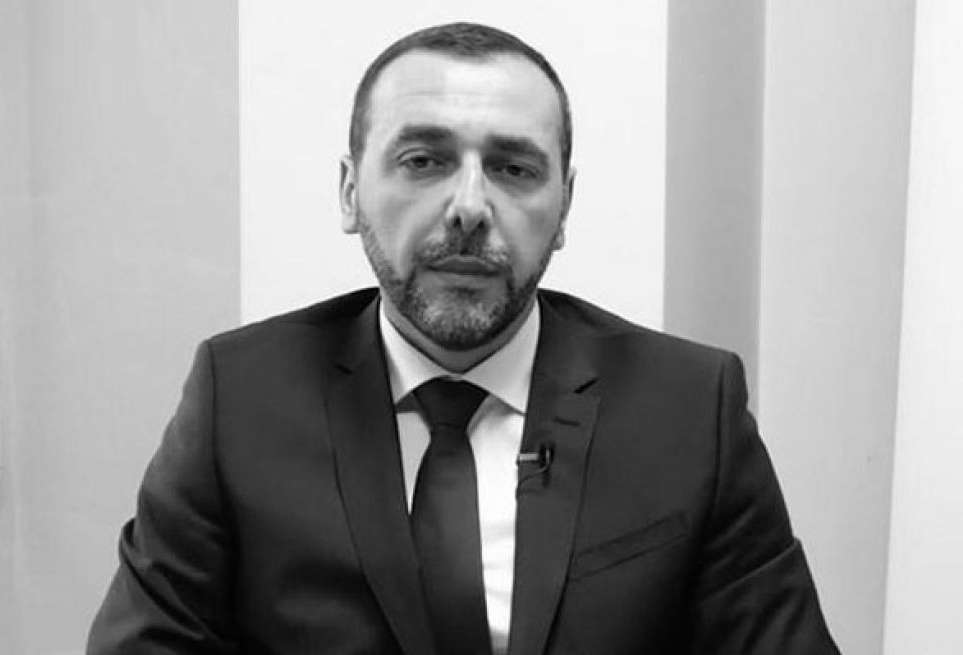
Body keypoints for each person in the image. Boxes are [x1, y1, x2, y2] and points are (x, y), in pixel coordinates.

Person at [88, 22, 840, 655]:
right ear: (350, 192)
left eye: (513, 168)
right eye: (424, 161)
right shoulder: (240, 398)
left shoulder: (688, 408)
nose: (470, 207)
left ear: (564, 206)